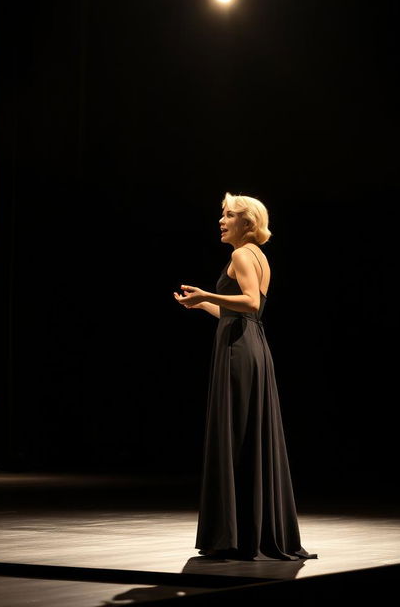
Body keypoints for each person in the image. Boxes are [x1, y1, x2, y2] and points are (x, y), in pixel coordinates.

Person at [173, 192, 317, 561]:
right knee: (244, 432)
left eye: (229, 215)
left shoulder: (241, 255)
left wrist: (208, 292)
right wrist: (201, 302)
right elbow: (237, 314)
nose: (221, 221)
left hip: (240, 350)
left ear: (248, 223)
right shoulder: (258, 256)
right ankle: (246, 531)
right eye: (221, 214)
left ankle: (236, 535)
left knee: (235, 432)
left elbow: (251, 302)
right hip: (247, 341)